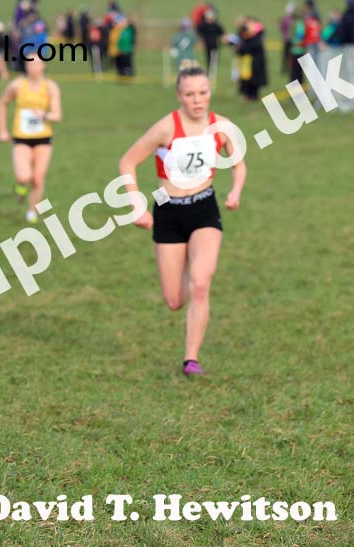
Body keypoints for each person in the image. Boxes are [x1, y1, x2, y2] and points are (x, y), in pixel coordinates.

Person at [118, 61, 247, 377]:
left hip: (205, 209)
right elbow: (127, 162)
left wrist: (236, 191)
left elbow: (239, 164)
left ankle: (191, 359)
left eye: (202, 92)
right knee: (175, 300)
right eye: (190, 94)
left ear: (210, 93)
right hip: (169, 212)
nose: (197, 100)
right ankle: (189, 268)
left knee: (200, 284)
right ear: (179, 95)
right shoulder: (166, 127)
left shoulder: (222, 125)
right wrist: (136, 204)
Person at [0, 56, 61, 223]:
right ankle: (21, 186)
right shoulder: (17, 85)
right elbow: (3, 104)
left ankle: (32, 211)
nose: (33, 67)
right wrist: (3, 130)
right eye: (29, 64)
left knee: (38, 178)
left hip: (43, 137)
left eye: (36, 64)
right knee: (24, 176)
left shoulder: (50, 86)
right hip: (21, 137)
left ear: (43, 66)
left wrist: (44, 115)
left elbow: (57, 115)